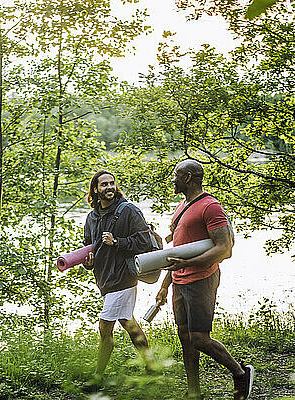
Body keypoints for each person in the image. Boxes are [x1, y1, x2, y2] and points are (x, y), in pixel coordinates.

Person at [155, 160, 254, 400]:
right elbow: (179, 250)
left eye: (176, 175)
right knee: (185, 337)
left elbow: (224, 248)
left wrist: (188, 264)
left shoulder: (211, 207)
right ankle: (193, 392)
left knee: (199, 338)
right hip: (179, 280)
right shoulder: (182, 206)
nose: (173, 179)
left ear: (188, 178)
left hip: (201, 280)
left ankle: (241, 373)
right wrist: (165, 284)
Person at [82, 170, 158, 386]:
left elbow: (144, 242)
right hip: (105, 280)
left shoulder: (129, 211)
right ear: (95, 189)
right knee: (129, 323)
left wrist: (118, 242)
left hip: (124, 278)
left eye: (112, 183)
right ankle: (152, 365)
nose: (109, 187)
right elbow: (90, 249)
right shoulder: (92, 217)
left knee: (105, 328)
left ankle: (97, 377)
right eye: (103, 184)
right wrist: (89, 263)